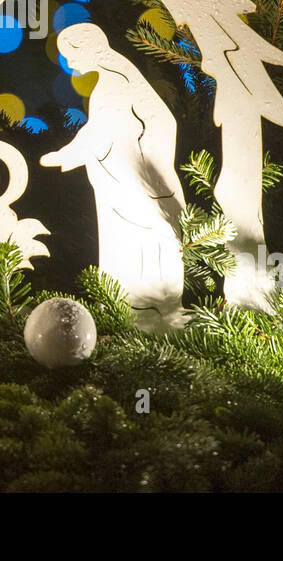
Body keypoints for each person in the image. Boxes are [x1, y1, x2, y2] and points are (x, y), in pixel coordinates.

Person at [40, 22, 186, 330]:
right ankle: (147, 304)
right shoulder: (122, 75)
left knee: (140, 239)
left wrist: (67, 155)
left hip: (130, 182)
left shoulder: (114, 81)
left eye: (71, 54)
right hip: (128, 177)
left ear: (89, 48)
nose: (70, 63)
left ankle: (142, 307)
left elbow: (103, 129)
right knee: (145, 240)